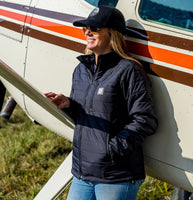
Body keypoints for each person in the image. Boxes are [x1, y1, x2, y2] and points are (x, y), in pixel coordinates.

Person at [45, 5, 158, 200]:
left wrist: (111, 150)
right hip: (82, 172)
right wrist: (70, 105)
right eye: (85, 28)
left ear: (112, 33)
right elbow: (89, 115)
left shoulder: (129, 70)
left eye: (95, 28)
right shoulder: (81, 70)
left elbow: (145, 119)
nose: (88, 31)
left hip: (116, 176)